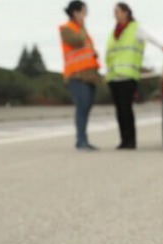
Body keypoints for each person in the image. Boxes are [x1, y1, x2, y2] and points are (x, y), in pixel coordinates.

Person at [106, 2, 163, 149]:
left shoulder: (135, 28)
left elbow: (150, 38)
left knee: (126, 109)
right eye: (114, 12)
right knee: (119, 111)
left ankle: (130, 140)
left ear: (126, 12)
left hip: (128, 76)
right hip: (114, 77)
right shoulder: (113, 32)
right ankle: (123, 139)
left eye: (118, 11)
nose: (115, 14)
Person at [60, 1, 100, 151]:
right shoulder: (67, 29)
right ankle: (81, 140)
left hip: (89, 76)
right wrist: (82, 25)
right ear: (75, 12)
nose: (86, 14)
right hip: (76, 76)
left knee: (87, 107)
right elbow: (77, 41)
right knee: (82, 107)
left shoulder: (83, 30)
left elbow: (87, 49)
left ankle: (84, 139)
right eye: (83, 11)